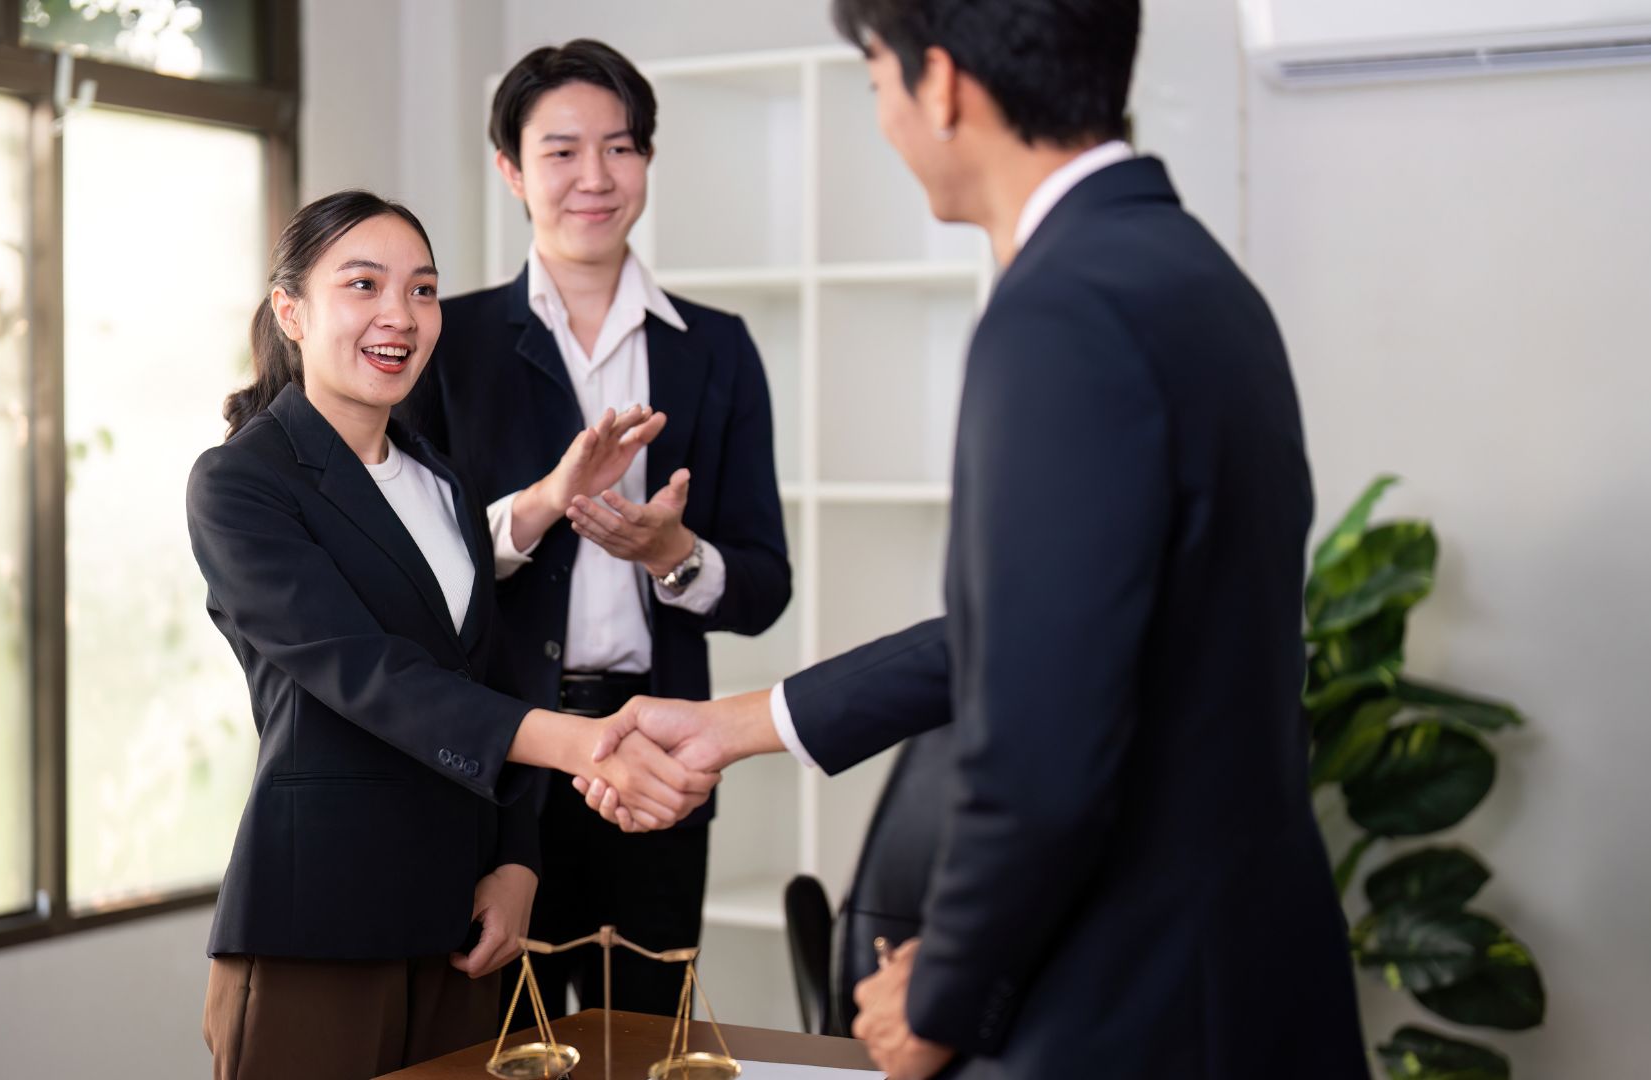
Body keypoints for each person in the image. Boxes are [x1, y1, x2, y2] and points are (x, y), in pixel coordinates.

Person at [574, 1, 1370, 1076]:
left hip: (1130, 1003)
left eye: (876, 83)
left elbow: (1043, 745)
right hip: (1242, 972)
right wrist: (737, 723)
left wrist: (946, 992)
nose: (885, 119)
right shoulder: (1196, 278)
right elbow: (1045, 635)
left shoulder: (1060, 313)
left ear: (940, 84)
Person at [185, 189, 717, 1080]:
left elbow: (494, 674)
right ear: (292, 310)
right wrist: (585, 742)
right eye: (364, 285)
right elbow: (369, 675)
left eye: (423, 290)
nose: (399, 315)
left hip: (464, 921)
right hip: (320, 911)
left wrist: (516, 863)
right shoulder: (241, 483)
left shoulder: (440, 481)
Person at [402, 40, 791, 1021]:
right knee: (500, 1036)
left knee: (652, 1029)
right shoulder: (451, 344)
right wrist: (539, 505)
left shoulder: (717, 350)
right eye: (561, 151)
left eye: (619, 149)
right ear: (510, 170)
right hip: (503, 747)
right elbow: (412, 575)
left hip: (662, 748)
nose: (594, 178)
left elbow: (762, 585)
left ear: (647, 165)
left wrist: (676, 558)